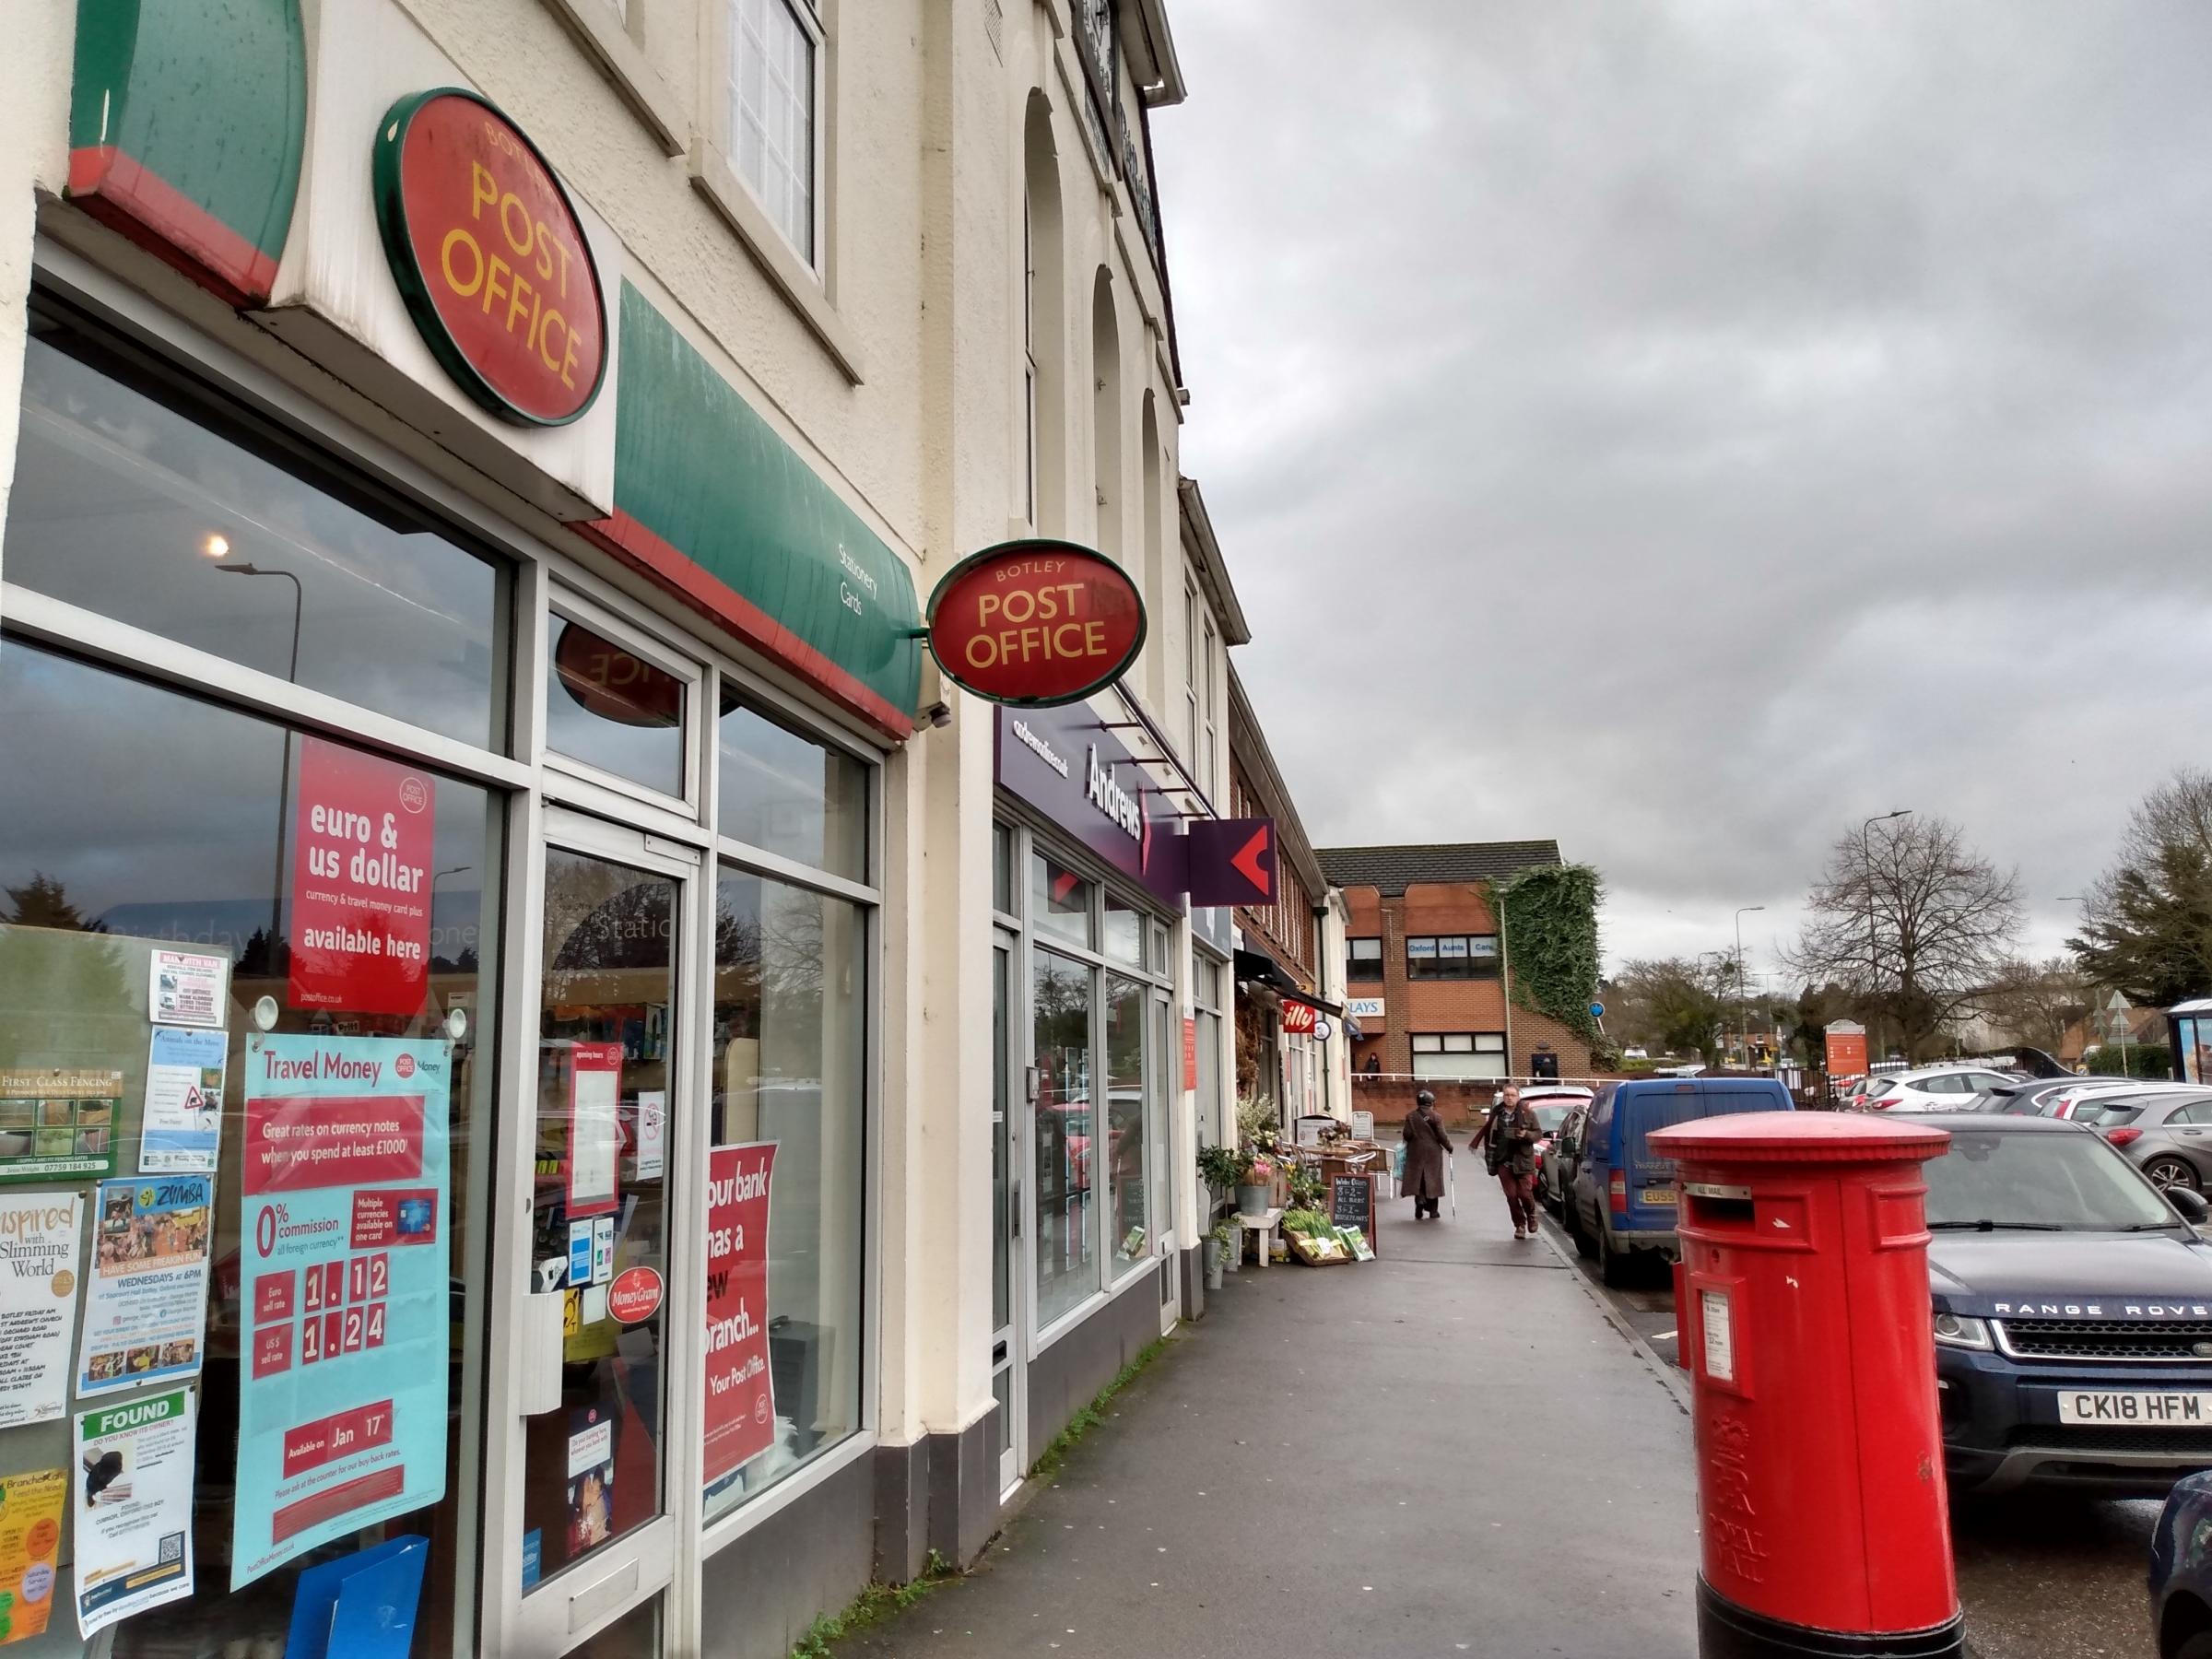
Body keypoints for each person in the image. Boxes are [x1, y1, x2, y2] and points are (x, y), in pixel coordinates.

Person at [1470, 1083, 1543, 1240]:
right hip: (1503, 1160)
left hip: (1522, 1160)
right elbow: (1489, 1132)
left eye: (1512, 1095)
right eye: (1506, 1095)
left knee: (1524, 1193)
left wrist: (1526, 1135)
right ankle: (1519, 1225)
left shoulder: (1528, 1113)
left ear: (1518, 1097)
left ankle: (1531, 1214)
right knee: (1511, 1195)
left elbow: (1538, 1134)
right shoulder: (1497, 1112)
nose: (1509, 1098)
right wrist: (1490, 1153)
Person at [1399, 1088, 1453, 1220]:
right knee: (1433, 1179)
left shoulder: (1411, 1116)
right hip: (1433, 1152)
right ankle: (1433, 1211)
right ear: (1431, 1102)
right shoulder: (1437, 1117)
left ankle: (1420, 1201)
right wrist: (1449, 1147)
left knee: (1418, 1178)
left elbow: (1407, 1134)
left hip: (1416, 1151)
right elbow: (1442, 1136)